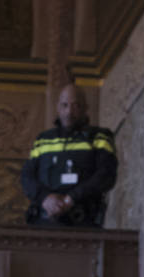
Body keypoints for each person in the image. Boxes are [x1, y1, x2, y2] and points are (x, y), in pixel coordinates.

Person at [21, 84, 117, 229]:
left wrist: (72, 198)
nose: (69, 112)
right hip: (43, 223)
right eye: (64, 105)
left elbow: (106, 175)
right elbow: (26, 176)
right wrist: (45, 198)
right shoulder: (43, 140)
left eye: (75, 106)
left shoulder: (100, 137)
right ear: (58, 107)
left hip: (83, 223)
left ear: (85, 108)